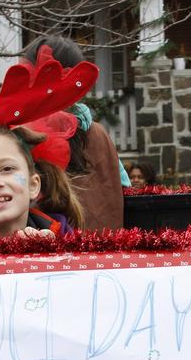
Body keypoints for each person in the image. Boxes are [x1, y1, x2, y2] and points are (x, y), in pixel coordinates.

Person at [22, 36, 124, 231]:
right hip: (99, 247)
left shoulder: (21, 134)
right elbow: (122, 183)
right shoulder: (97, 133)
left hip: (41, 249)